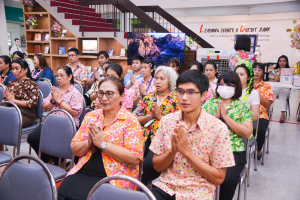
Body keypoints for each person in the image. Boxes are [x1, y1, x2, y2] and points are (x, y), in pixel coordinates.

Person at [149, 70, 235, 199]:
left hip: (197, 193)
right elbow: (156, 166)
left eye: (191, 92)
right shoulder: (167, 122)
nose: (184, 97)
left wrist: (186, 152)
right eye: (180, 91)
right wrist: (172, 151)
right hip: (165, 188)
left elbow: (219, 178)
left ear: (203, 95)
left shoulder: (217, 129)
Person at [57, 76, 143, 200]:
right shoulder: (91, 116)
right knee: (64, 191)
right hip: (84, 169)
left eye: (109, 94)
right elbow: (75, 150)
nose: (103, 98)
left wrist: (103, 144)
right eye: (101, 93)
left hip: (115, 175)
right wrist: (89, 143)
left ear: (122, 97)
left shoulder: (130, 121)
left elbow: (135, 158)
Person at [203, 71, 253, 200]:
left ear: (236, 87)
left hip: (233, 151)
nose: (224, 87)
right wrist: (216, 119)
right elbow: (201, 128)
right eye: (221, 84)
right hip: (208, 149)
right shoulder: (210, 103)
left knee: (226, 180)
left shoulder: (242, 106)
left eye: (229, 84)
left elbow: (247, 133)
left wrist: (225, 117)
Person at [28, 66, 84, 164]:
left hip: (67, 125)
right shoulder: (55, 90)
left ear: (70, 76)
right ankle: (48, 161)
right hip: (51, 122)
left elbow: (75, 112)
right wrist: (53, 100)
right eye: (57, 75)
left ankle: (59, 162)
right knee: (32, 138)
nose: (58, 78)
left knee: (54, 142)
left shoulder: (75, 93)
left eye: (62, 75)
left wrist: (59, 100)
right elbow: (45, 107)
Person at [135, 66, 179, 186]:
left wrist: (160, 117)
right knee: (132, 159)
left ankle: (143, 187)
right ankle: (139, 187)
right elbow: (136, 119)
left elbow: (179, 123)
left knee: (148, 165)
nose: (158, 81)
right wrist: (150, 116)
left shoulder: (177, 99)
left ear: (170, 80)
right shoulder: (149, 97)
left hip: (164, 139)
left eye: (162, 79)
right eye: (156, 78)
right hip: (144, 136)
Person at [4, 58, 39, 128]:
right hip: (10, 111)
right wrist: (5, 101)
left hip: (25, 114)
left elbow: (32, 103)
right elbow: (5, 100)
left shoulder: (32, 84)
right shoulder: (11, 83)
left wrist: (14, 101)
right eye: (12, 69)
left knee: (7, 123)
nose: (14, 71)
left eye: (17, 68)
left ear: (25, 69)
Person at [253, 63, 274, 160]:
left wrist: (255, 93)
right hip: (245, 113)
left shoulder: (267, 86)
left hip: (261, 114)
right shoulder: (244, 83)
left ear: (263, 72)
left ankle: (259, 149)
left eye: (259, 70)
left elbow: (267, 104)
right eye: (254, 69)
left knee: (260, 129)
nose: (256, 71)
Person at [269, 55, 291, 122]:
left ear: (286, 62)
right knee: (272, 93)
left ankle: (282, 114)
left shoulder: (289, 71)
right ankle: (269, 112)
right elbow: (270, 80)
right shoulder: (275, 71)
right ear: (278, 62)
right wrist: (277, 79)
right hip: (276, 87)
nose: (282, 63)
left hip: (285, 88)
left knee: (282, 94)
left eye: (284, 61)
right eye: (280, 61)